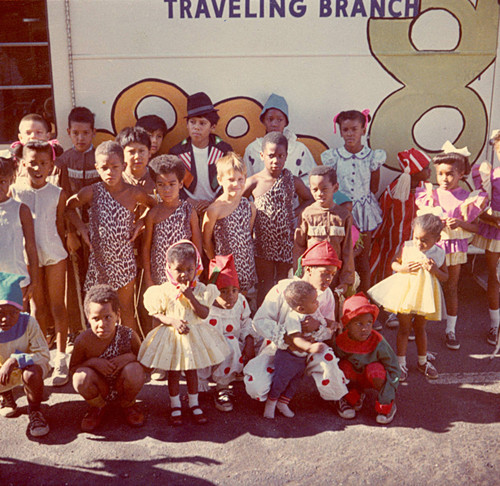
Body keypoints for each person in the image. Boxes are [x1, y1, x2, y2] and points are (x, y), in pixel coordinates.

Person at [66, 141, 156, 333]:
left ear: (124, 166)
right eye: (104, 168)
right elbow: (68, 208)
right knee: (97, 311)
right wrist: (80, 229)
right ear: (97, 168)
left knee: (126, 310)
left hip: (124, 261)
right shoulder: (91, 192)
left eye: (115, 167)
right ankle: (100, 349)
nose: (110, 172)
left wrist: (140, 222)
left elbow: (153, 206)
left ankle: (131, 351)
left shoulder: (134, 193)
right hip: (98, 261)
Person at [244, 241, 348, 406]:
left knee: (329, 365)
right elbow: (259, 322)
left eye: (333, 274)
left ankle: (337, 397)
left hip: (311, 348)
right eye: (325, 273)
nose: (329, 278)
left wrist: (318, 327)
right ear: (308, 269)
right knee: (256, 387)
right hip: (280, 349)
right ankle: (276, 393)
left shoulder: (326, 294)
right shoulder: (283, 289)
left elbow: (328, 331)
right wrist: (287, 336)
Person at [138, 241, 228, 425]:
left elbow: (203, 314)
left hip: (194, 335)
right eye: (179, 269)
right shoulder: (163, 291)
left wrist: (191, 297)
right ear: (169, 268)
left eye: (189, 269)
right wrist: (172, 321)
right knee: (173, 372)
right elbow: (156, 313)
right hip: (172, 335)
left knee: (191, 370)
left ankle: (194, 404)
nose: (184, 274)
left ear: (196, 267)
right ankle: (175, 405)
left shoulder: (201, 289)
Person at [416, 141, 487, 350]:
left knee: (451, 286)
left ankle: (451, 330)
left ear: (461, 174)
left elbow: (476, 228)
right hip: (431, 247)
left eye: (450, 174)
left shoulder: (467, 197)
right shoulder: (431, 195)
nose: (444, 179)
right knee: (425, 284)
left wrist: (460, 223)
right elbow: (421, 223)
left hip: (455, 247)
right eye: (440, 174)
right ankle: (418, 325)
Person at [11, 140, 70, 386]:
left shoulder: (57, 193)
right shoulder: (15, 190)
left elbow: (59, 225)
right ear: (23, 164)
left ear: (51, 165)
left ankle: (62, 357)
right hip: (27, 258)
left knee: (58, 306)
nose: (37, 168)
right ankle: (43, 357)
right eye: (32, 163)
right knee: (37, 309)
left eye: (43, 163)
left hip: (54, 255)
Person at [368, 214, 449, 381]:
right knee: (404, 328)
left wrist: (434, 270)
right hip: (405, 293)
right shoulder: (407, 247)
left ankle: (422, 361)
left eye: (425, 240)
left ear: (437, 238)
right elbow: (394, 263)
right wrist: (402, 268)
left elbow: (445, 277)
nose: (419, 243)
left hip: (425, 296)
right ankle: (401, 362)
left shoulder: (439, 253)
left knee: (420, 328)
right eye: (416, 237)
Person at [244, 131, 312, 306]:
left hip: (286, 242)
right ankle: (261, 322)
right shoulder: (253, 182)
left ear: (286, 156)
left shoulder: (292, 180)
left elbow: (309, 199)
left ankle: (283, 319)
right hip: (262, 243)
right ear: (262, 156)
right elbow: (236, 202)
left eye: (281, 156)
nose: (276, 161)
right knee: (265, 284)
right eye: (271, 156)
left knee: (284, 284)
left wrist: (295, 213)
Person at [321, 109, 385, 292]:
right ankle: (343, 301)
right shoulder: (334, 157)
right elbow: (331, 185)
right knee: (341, 257)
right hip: (341, 212)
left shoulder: (372, 157)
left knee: (363, 260)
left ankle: (364, 300)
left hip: (365, 213)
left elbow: (373, 187)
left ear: (363, 130)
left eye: (354, 129)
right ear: (340, 131)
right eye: (345, 129)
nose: (349, 134)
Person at [70, 284, 146, 432]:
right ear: (88, 318)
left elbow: (146, 365)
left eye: (107, 317)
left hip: (122, 385)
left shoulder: (129, 335)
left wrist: (129, 357)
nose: (102, 324)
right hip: (100, 387)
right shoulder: (83, 340)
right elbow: (73, 369)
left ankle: (128, 404)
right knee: (80, 378)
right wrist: (93, 363)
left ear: (117, 315)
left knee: (135, 370)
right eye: (96, 318)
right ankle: (98, 407)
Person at [263, 280, 331, 419]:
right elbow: (295, 339)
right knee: (281, 380)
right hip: (288, 356)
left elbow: (323, 320)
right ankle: (271, 402)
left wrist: (331, 323)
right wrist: (310, 347)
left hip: (300, 358)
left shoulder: (313, 312)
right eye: (313, 301)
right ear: (300, 308)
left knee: (295, 381)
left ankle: (283, 402)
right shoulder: (293, 317)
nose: (317, 303)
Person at [198, 255, 257, 412]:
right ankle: (198, 384)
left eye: (234, 290)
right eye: (223, 292)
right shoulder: (205, 305)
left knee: (230, 341)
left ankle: (223, 386)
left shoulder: (241, 302)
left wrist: (249, 340)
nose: (230, 296)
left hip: (230, 351)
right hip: (206, 351)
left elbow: (246, 322)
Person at [332, 293, 400, 425]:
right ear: (347, 324)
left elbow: (394, 369)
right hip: (355, 378)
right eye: (359, 324)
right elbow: (333, 368)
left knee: (374, 369)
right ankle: (352, 396)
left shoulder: (378, 341)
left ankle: (387, 405)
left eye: (369, 323)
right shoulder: (340, 341)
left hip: (373, 377)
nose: (365, 328)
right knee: (342, 367)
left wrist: (387, 396)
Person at [369, 149, 432, 287]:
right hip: (394, 238)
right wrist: (375, 236)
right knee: (391, 265)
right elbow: (383, 214)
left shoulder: (426, 189)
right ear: (415, 172)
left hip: (417, 240)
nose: (430, 171)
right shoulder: (393, 190)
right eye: (426, 168)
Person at [0, 272, 51, 437]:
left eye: (12, 313)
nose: (5, 319)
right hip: (3, 372)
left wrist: (15, 359)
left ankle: (35, 411)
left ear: (20, 310)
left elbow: (44, 355)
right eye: (0, 312)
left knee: (31, 374)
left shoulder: (28, 322)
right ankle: (6, 396)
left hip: (27, 368)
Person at [294, 165, 355, 297]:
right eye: (314, 190)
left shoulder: (343, 215)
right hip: (311, 276)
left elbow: (347, 250)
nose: (319, 194)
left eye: (324, 189)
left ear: (335, 188)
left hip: (334, 277)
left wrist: (346, 281)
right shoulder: (307, 214)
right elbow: (299, 246)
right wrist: (299, 274)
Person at [142, 155, 202, 288]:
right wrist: (148, 277)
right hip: (160, 274)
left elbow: (197, 246)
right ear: (155, 186)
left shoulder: (189, 212)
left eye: (172, 184)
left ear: (180, 184)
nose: (167, 189)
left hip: (184, 275)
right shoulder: (153, 214)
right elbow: (146, 248)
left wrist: (196, 274)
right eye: (161, 185)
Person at [202, 153, 257, 293]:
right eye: (231, 180)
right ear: (220, 180)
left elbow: (247, 234)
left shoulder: (249, 206)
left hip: (246, 267)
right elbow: (206, 241)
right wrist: (217, 263)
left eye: (240, 179)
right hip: (225, 269)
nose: (236, 184)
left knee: (245, 305)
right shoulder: (214, 209)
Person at [170, 92, 232, 214]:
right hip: (186, 207)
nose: (196, 127)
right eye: (192, 122)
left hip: (218, 206)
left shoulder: (224, 150)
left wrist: (214, 202)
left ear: (213, 127)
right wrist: (190, 202)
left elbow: (231, 180)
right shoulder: (177, 152)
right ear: (187, 125)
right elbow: (173, 183)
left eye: (202, 123)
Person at [243, 93, 316, 184]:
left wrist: (296, 189)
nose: (274, 124)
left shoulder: (298, 149)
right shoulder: (253, 149)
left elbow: (312, 179)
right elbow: (246, 179)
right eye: (270, 119)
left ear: (286, 122)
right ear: (263, 121)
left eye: (279, 120)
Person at [471, 130, 500, 346]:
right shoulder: (490, 174)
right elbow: (479, 206)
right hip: (495, 230)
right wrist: (489, 219)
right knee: (494, 276)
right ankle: (494, 324)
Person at [0, 157, 39, 308]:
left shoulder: (21, 209)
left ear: (11, 180)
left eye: (2, 181)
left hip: (16, 279)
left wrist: (34, 281)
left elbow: (30, 247)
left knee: (14, 324)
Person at [55, 106, 99, 196]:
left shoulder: (101, 158)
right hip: (71, 207)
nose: (80, 138)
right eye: (75, 133)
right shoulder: (63, 160)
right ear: (68, 132)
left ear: (93, 132)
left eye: (86, 133)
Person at [116, 126, 155, 196]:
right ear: (121, 154)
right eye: (131, 152)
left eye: (141, 151)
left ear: (149, 153)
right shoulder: (116, 181)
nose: (137, 156)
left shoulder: (157, 179)